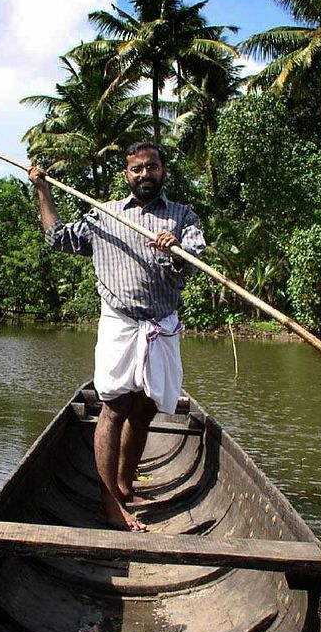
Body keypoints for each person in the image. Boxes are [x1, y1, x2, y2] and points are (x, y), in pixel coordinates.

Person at [29, 141, 205, 533]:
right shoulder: (105, 216)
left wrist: (176, 250)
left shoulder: (181, 216)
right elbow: (57, 236)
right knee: (114, 408)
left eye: (152, 167)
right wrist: (43, 190)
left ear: (163, 170)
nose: (145, 174)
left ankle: (125, 486)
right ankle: (110, 502)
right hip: (120, 324)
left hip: (161, 325)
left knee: (146, 408)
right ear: (127, 174)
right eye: (137, 169)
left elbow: (197, 255)